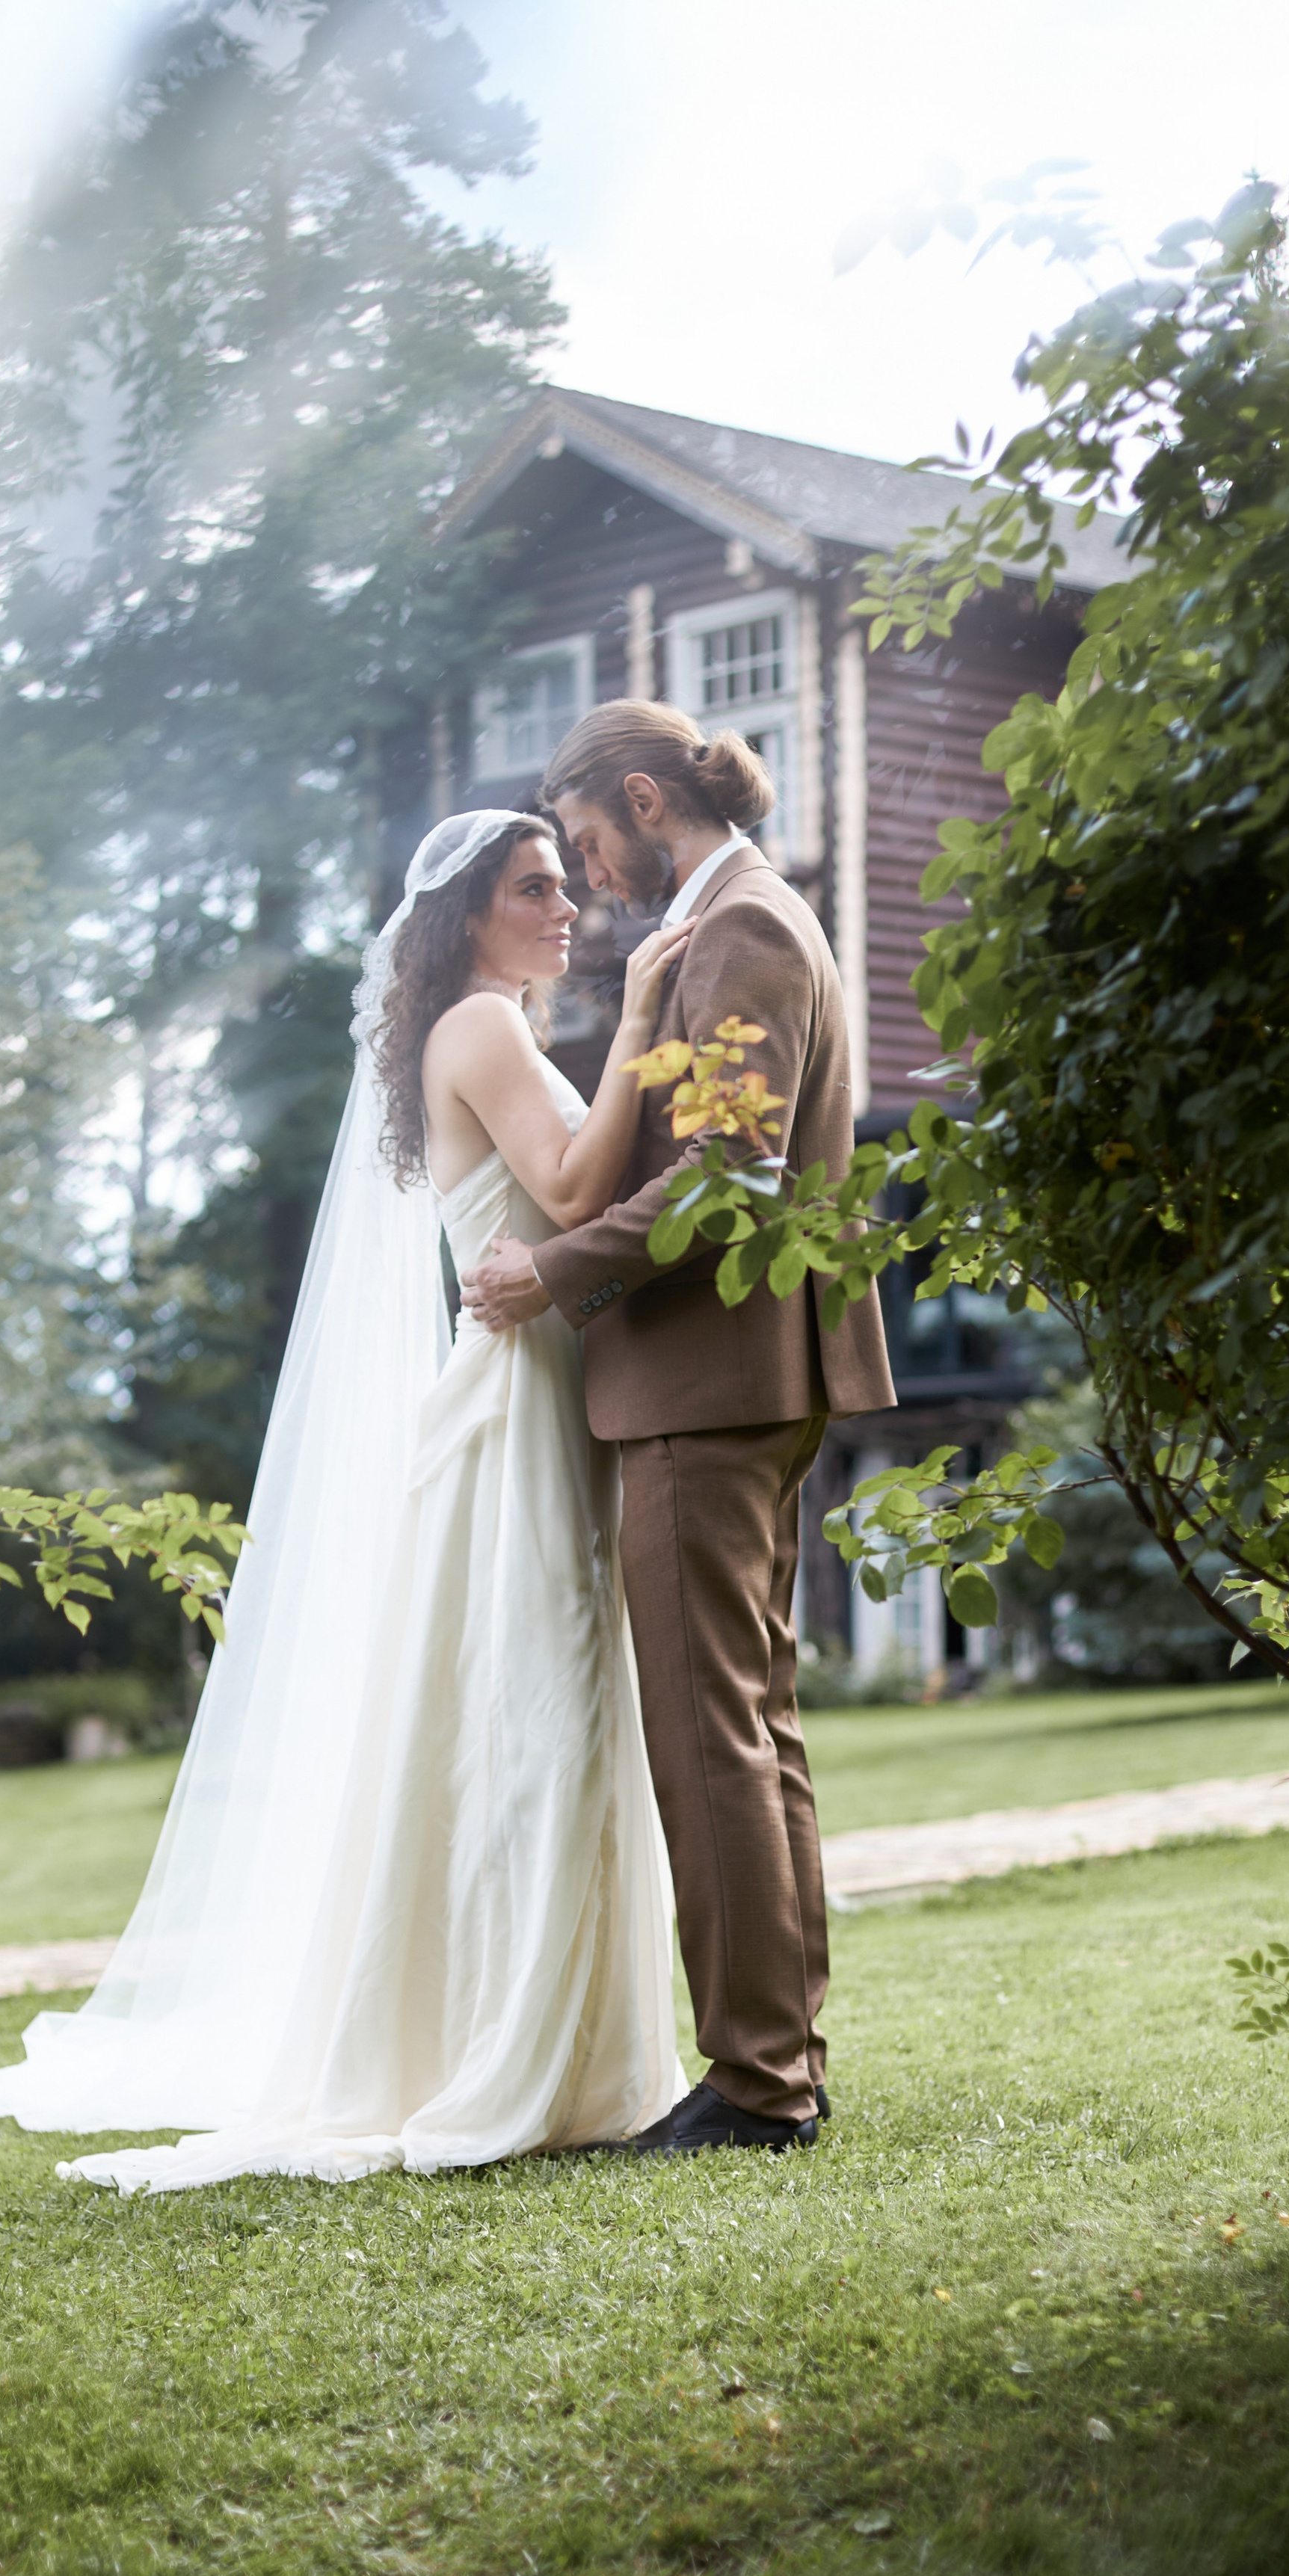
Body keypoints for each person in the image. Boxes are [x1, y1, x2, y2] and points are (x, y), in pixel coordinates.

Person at [0, 809, 693, 2188]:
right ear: (468, 914)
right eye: (536, 888)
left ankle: (565, 2043)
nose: (567, 906)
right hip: (524, 1396)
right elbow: (577, 1183)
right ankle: (516, 2048)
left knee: (541, 1708)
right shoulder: (483, 1028)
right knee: (545, 1706)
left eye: (563, 886)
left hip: (533, 1379)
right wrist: (648, 1010)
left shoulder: (477, 1029)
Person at [463, 700, 896, 2158]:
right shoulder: (726, 929)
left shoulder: (744, 931)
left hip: (712, 1382)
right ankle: (778, 2065)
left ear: (642, 799)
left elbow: (730, 1175)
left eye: (586, 842)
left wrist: (546, 1271)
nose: (585, 879)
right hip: (725, 1380)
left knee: (709, 1736)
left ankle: (760, 2085)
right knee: (746, 1729)